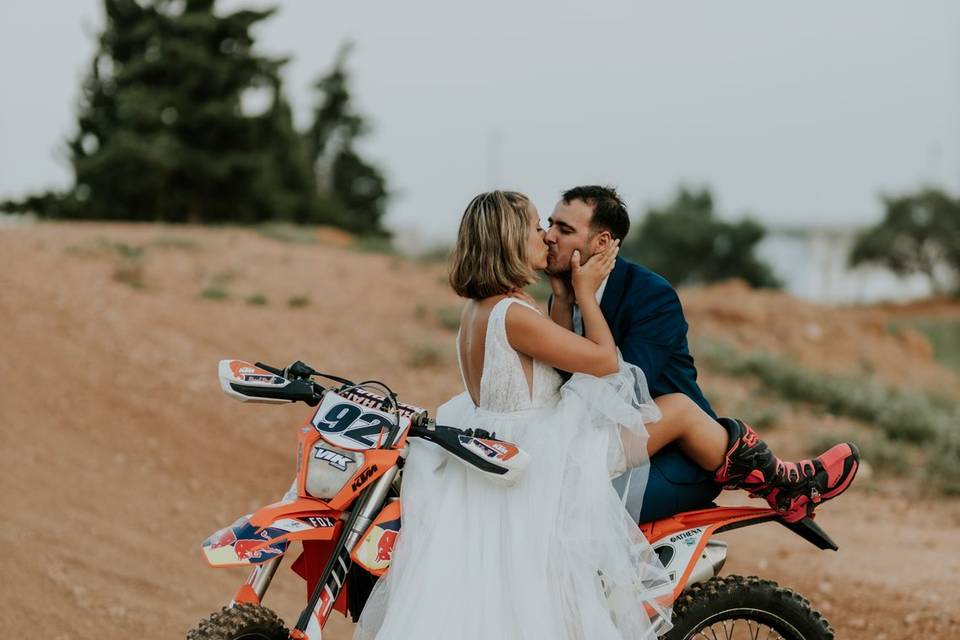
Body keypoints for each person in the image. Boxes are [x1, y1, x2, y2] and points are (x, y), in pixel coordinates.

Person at [356, 190, 676, 639]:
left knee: (492, 600)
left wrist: (561, 296)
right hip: (530, 462)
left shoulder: (480, 309)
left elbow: (552, 368)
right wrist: (585, 292)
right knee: (675, 411)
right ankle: (755, 466)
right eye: (535, 228)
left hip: (491, 453)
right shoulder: (513, 314)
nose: (546, 236)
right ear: (510, 240)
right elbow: (605, 361)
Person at [543, 185, 861, 524]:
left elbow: (626, 393)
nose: (549, 236)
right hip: (596, 445)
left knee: (583, 512)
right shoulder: (563, 296)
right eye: (550, 224)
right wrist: (565, 303)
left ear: (602, 242)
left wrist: (582, 297)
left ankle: (784, 483)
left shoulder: (651, 295)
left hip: (675, 454)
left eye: (564, 229)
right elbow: (562, 384)